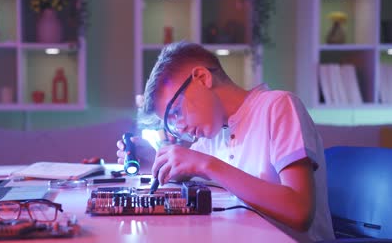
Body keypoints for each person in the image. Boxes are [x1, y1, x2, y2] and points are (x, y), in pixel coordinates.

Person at [116, 41, 334, 241]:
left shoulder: (278, 106)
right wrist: (153, 161)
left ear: (202, 78)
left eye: (175, 112)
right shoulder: (214, 135)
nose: (179, 127)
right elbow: (187, 170)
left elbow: (299, 211)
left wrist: (205, 165)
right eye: (170, 123)